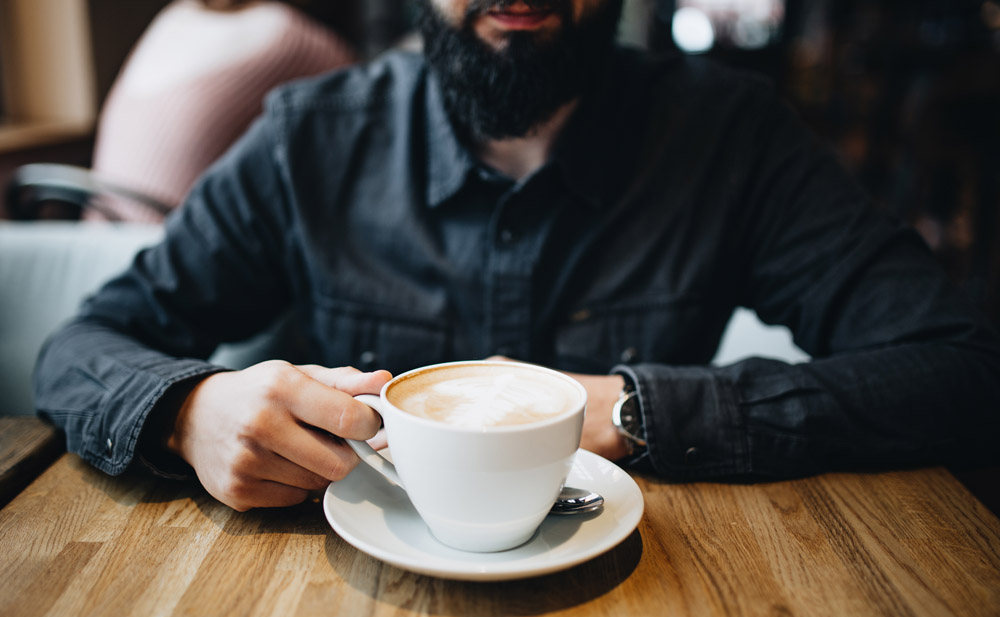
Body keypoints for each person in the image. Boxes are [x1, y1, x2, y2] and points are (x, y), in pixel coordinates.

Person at [35, 0, 1000, 511]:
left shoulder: (732, 139)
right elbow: (83, 346)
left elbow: (961, 368)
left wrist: (634, 409)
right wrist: (189, 412)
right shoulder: (310, 143)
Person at [88, 0, 357, 222]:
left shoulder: (175, 17)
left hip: (90, 248)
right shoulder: (286, 36)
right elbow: (367, 100)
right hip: (170, 254)